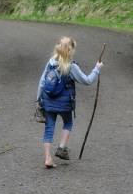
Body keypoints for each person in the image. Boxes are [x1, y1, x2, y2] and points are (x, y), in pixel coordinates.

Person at [36, 36, 103, 168]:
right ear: (71, 50)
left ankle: (48, 158)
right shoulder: (71, 67)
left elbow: (42, 82)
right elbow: (87, 80)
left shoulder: (50, 63)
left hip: (49, 102)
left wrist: (39, 100)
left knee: (49, 128)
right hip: (65, 104)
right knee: (68, 122)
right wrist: (97, 69)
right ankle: (61, 147)